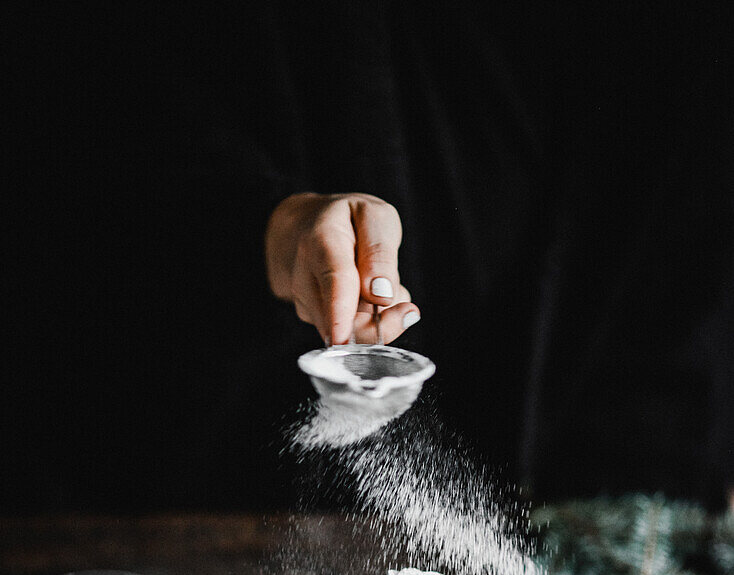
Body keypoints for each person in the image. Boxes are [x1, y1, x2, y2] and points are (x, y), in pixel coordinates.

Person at [5, 2, 733, 511]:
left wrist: (634, 494)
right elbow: (82, 114)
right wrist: (269, 225)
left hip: (612, 499)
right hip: (185, 490)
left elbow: (686, 257)